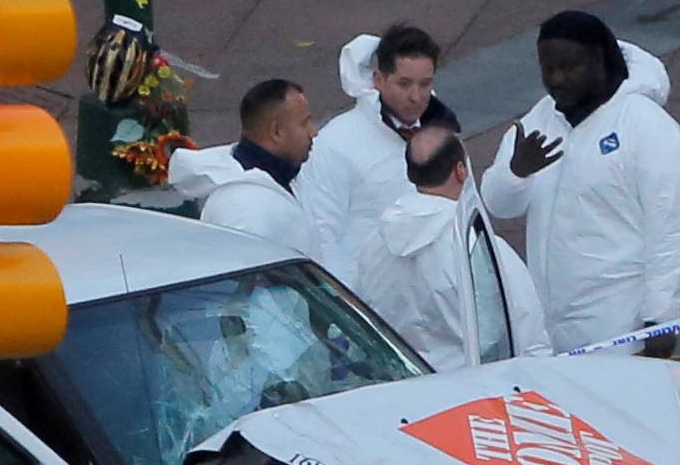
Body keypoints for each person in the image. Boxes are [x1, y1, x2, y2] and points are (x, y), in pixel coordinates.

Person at [479, 12, 680, 355]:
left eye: (569, 67)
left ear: (599, 60)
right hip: (548, 325)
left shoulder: (645, 124)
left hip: (619, 326)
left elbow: (671, 229)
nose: (557, 79)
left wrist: (661, 318)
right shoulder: (539, 120)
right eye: (548, 69)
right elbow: (497, 206)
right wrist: (516, 173)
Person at [356, 124, 550, 370]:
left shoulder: (376, 241)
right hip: (470, 392)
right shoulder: (478, 246)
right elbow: (525, 331)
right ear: (461, 171)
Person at [298, 24, 459, 290]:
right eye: (404, 84)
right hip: (373, 305)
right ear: (378, 79)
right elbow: (322, 233)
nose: (416, 96)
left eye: (425, 84)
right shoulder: (336, 143)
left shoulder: (442, 134)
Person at [169, 79, 319, 257]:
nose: (313, 132)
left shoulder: (284, 178)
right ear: (277, 131)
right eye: (304, 123)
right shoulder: (247, 211)